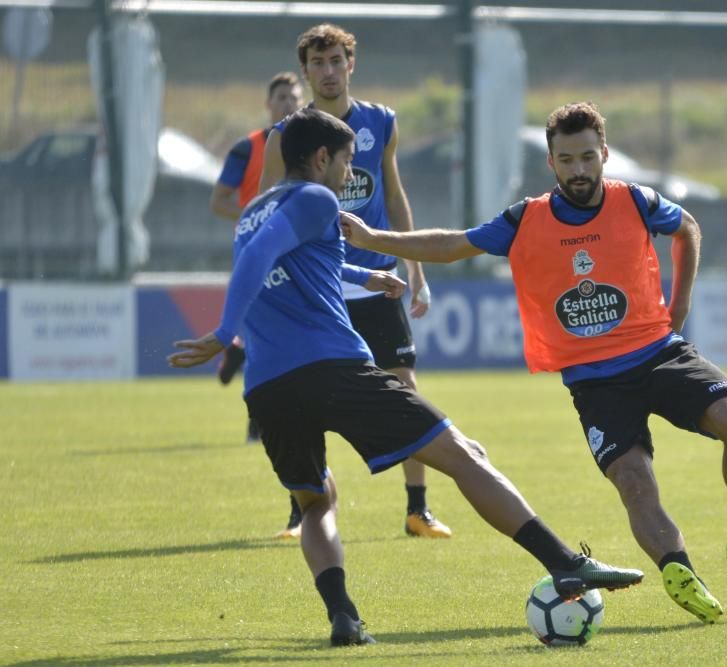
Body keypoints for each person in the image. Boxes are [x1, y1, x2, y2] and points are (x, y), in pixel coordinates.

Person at [167, 108, 644, 646]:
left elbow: (296, 256)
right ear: (321, 158)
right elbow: (258, 257)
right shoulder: (315, 198)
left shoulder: (255, 210)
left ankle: (344, 618)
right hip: (334, 369)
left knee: (316, 502)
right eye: (346, 163)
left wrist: (366, 274)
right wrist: (223, 329)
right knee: (466, 455)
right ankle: (564, 563)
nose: (349, 176)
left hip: (269, 387)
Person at [340, 101, 727, 625]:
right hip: (596, 383)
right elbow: (454, 244)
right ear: (551, 162)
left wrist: (679, 304)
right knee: (635, 481)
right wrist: (372, 239)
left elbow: (686, 227)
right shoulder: (527, 219)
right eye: (567, 160)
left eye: (587, 158)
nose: (578, 170)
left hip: (660, 354)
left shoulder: (635, 200)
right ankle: (679, 570)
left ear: (604, 156)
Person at [258, 23, 450, 540]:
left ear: (351, 65)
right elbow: (263, 209)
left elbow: (394, 191)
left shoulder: (379, 123)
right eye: (317, 63)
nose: (327, 71)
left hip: (374, 280)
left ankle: (418, 509)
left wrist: (416, 269)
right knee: (304, 392)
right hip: (312, 286)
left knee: (404, 385)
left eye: (336, 61)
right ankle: (304, 510)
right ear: (305, 72)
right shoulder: (286, 137)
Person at [210, 71, 304, 440]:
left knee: (286, 334)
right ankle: (257, 419)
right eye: (280, 97)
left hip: (297, 251)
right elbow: (218, 200)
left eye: (293, 97)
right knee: (264, 335)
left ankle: (239, 352)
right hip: (258, 253)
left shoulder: (312, 143)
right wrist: (254, 217)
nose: (287, 103)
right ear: (268, 105)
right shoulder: (248, 148)